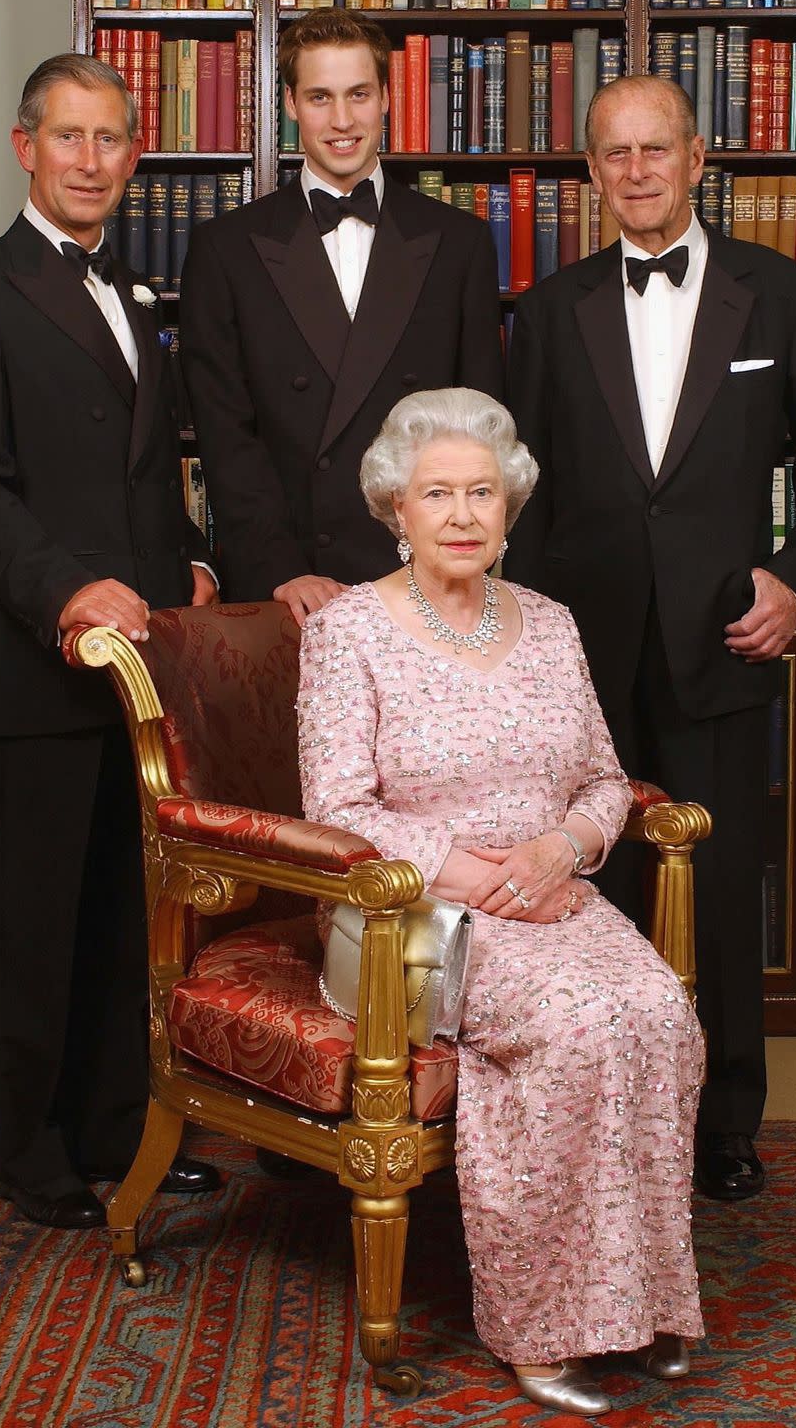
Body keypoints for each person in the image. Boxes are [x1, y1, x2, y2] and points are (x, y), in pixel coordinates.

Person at [296, 387, 705, 1418]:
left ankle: (644, 1303)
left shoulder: (554, 625)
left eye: (483, 491)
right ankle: (544, 1326)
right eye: (440, 493)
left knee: (657, 1011)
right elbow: (335, 805)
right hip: (414, 917)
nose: (465, 514)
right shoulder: (349, 631)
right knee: (574, 1031)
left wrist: (561, 848)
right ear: (397, 507)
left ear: (510, 504)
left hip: (552, 891)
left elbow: (606, 781)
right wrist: (476, 878)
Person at [506, 75, 796, 1203]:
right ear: (592, 173)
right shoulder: (552, 307)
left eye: (658, 149)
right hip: (584, 658)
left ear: (700, 158)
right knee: (590, 894)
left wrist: (793, 583)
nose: (639, 171)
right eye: (615, 154)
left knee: (718, 888)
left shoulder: (788, 297)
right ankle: (606, 1123)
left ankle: (724, 1131)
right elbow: (523, 497)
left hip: (726, 644)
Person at [0, 54, 220, 1229]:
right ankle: (32, 1156)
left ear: (135, 156)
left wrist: (190, 559)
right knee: (37, 930)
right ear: (24, 146)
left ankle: (112, 1131)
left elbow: (146, 476)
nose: (91, 160)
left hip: (137, 676)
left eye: (111, 140)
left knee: (117, 928)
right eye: (70, 138)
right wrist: (72, 593)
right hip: (32, 674)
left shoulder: (134, 298)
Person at [179, 7, 503, 626]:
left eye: (358, 94)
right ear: (291, 105)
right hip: (292, 585)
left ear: (386, 98)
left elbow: (478, 431)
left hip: (428, 577)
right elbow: (226, 434)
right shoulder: (225, 249)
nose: (343, 120)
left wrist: (448, 561)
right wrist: (280, 569)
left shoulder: (460, 242)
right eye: (320, 97)